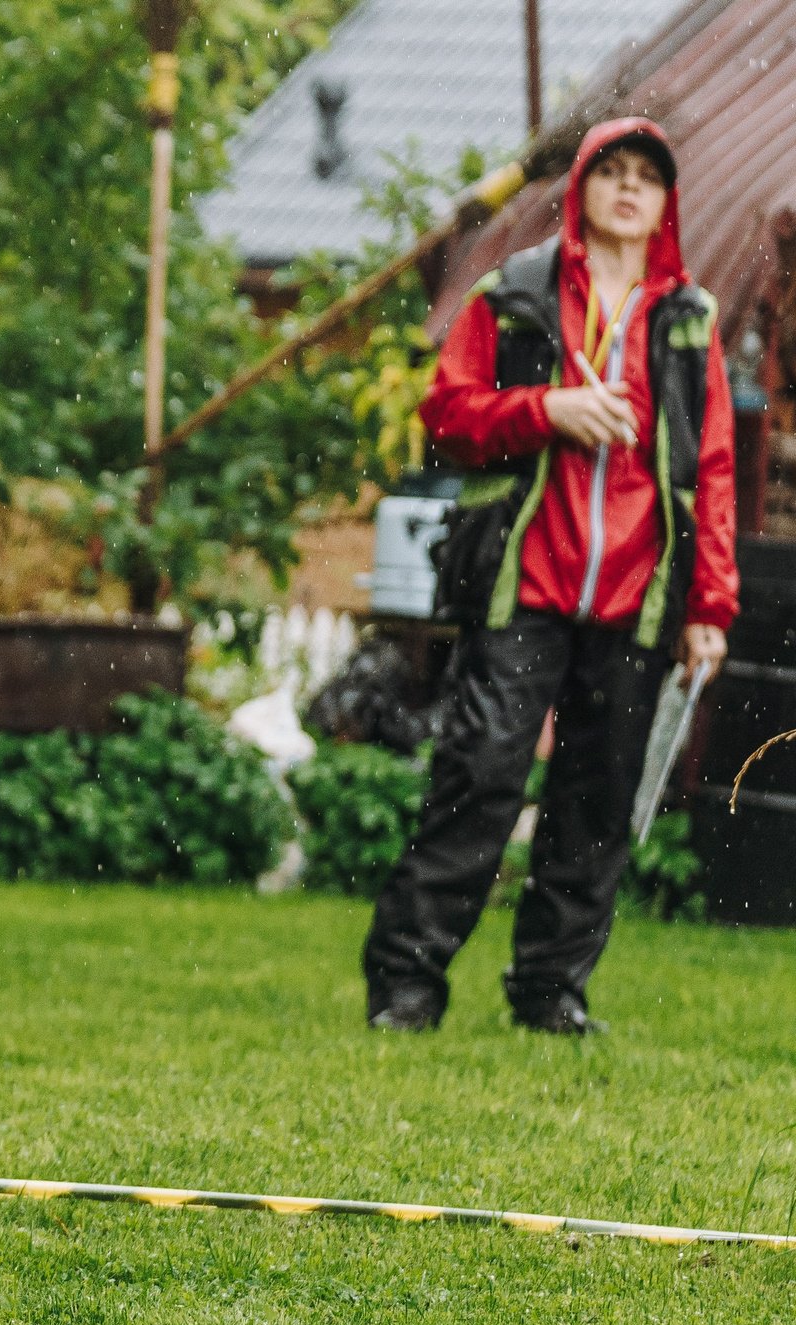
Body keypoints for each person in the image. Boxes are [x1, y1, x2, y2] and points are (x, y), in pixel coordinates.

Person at [362, 118, 737, 1034]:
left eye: (646, 176)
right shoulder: (517, 291)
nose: (627, 188)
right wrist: (547, 409)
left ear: (665, 203)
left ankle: (550, 995)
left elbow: (715, 469)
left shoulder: (690, 322)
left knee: (597, 802)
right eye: (610, 170)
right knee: (479, 779)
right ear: (581, 189)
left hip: (638, 599)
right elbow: (446, 413)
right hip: (524, 586)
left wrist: (710, 607)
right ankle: (406, 989)